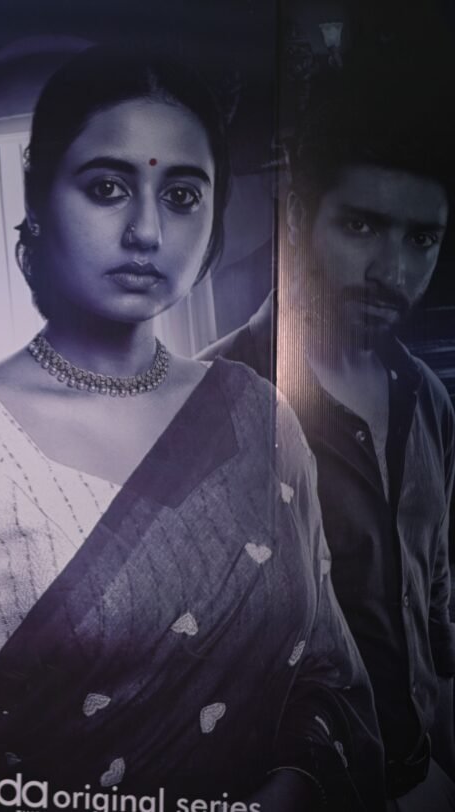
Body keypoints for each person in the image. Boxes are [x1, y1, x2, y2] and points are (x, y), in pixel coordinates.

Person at [0, 46, 384, 811]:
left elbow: (329, 678)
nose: (146, 231)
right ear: (39, 200)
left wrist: (292, 790)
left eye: (181, 195)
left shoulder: (256, 415)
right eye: (107, 188)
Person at [200, 71, 455, 810]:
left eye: (422, 239)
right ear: (298, 216)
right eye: (362, 227)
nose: (393, 273)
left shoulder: (431, 402)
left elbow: (435, 617)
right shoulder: (213, 407)